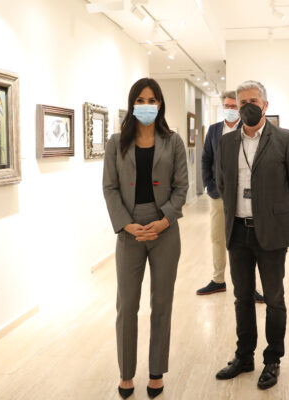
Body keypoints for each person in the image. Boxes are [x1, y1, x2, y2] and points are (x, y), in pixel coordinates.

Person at [214, 80, 289, 390]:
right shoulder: (227, 143)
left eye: (253, 101)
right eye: (242, 103)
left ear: (265, 105)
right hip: (238, 231)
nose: (247, 107)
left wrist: (276, 214)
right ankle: (244, 356)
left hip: (271, 232)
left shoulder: (285, 139)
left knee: (274, 298)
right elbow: (222, 183)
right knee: (242, 297)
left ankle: (273, 359)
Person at [103, 77, 188, 399]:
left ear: (160, 104)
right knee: (126, 305)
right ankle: (126, 373)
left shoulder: (173, 142)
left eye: (152, 100)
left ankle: (156, 372)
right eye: (140, 100)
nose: (146, 106)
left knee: (162, 303)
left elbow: (181, 187)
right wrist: (126, 225)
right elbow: (110, 187)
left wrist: (164, 220)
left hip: (164, 228)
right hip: (129, 231)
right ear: (132, 104)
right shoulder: (116, 143)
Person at [197, 90, 264, 303]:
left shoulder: (248, 128)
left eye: (234, 106)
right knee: (217, 237)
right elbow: (206, 159)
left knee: (246, 241)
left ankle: (249, 287)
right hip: (218, 195)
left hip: (243, 196)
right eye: (227, 106)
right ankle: (218, 279)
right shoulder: (214, 130)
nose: (231, 109)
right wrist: (209, 186)